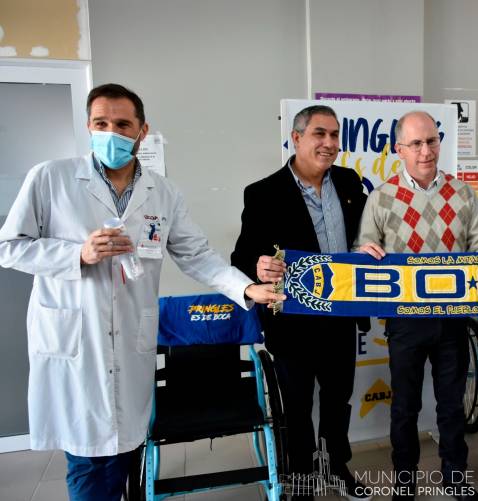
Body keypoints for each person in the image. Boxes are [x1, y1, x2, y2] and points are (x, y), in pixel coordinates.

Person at [0, 83, 284, 501]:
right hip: (77, 343)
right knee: (88, 462)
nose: (111, 133)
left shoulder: (162, 192)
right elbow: (10, 246)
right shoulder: (51, 178)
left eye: (122, 124)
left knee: (126, 454)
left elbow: (196, 255)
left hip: (131, 340)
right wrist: (77, 253)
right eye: (101, 123)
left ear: (142, 130)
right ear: (88, 125)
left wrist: (247, 288)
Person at [231, 105, 370, 500]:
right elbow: (241, 257)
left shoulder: (348, 182)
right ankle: (303, 477)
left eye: (334, 135)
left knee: (338, 399)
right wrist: (258, 265)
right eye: (319, 134)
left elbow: (366, 234)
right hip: (292, 322)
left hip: (341, 316)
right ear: (296, 138)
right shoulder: (263, 193)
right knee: (296, 404)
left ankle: (337, 465)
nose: (329, 143)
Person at [357, 110, 478, 501]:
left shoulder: (463, 194)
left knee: (452, 406)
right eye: (415, 143)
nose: (425, 151)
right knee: (405, 407)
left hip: (453, 319)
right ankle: (404, 482)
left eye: (431, 141)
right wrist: (364, 252)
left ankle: (455, 477)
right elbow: (363, 249)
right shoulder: (381, 197)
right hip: (405, 320)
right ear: (399, 149)